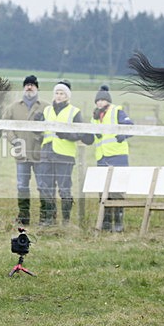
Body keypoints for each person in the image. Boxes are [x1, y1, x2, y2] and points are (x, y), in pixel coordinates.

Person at [36, 80, 94, 225]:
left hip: (64, 155)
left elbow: (80, 133)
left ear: (67, 96)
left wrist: (66, 135)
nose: (59, 96)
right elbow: (38, 131)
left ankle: (66, 221)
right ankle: (50, 218)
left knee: (64, 189)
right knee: (45, 186)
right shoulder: (47, 110)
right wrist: (35, 123)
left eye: (62, 93)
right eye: (57, 93)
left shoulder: (74, 112)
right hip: (47, 152)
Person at [2, 74, 47, 226]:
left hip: (40, 154)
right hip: (21, 155)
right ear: (23, 88)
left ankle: (46, 217)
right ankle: (23, 216)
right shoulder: (13, 107)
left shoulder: (46, 107)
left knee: (43, 185)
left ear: (37, 88)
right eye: (27, 84)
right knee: (22, 185)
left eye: (32, 85)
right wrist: (14, 141)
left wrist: (42, 136)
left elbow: (51, 127)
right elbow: (6, 128)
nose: (29, 87)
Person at [91, 85, 134, 231]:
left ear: (108, 101)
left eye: (103, 100)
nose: (100, 103)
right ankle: (106, 221)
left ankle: (118, 222)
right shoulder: (95, 116)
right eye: (98, 101)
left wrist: (123, 135)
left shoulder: (117, 111)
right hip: (102, 157)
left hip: (117, 156)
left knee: (117, 189)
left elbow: (130, 126)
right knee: (103, 191)